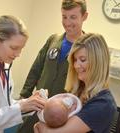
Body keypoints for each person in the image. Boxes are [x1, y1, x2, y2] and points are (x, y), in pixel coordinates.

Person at [17, 0, 88, 132]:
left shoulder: (87, 48)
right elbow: (36, 69)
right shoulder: (53, 40)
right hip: (38, 107)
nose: (67, 22)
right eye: (64, 16)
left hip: (63, 116)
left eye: (73, 17)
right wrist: (24, 96)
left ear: (84, 16)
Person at [34, 33, 117, 133]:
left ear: (98, 62)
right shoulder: (78, 91)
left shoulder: (103, 104)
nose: (76, 65)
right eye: (75, 60)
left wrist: (41, 125)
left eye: (82, 60)